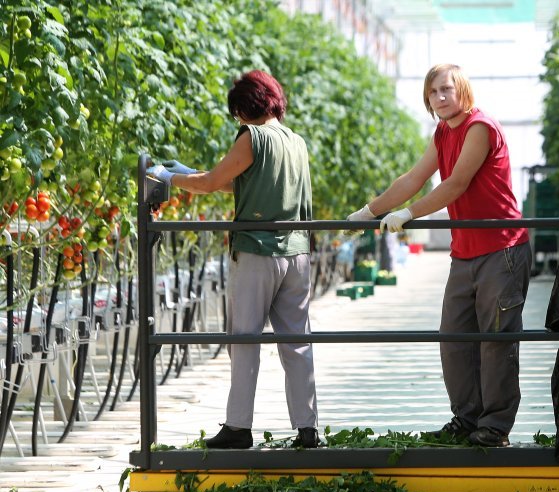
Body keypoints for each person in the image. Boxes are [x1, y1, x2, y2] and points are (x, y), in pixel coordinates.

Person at [347, 64, 531, 447]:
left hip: (502, 249)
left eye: (446, 89)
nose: (440, 97)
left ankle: (495, 427)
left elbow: (456, 183)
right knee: (454, 339)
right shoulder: (442, 132)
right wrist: (371, 211)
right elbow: (414, 179)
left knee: (495, 341)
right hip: (464, 252)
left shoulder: (480, 127)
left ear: (462, 89)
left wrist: (410, 213)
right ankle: (466, 419)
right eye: (433, 92)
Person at [146, 70, 319, 449]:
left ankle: (239, 427)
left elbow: (212, 184)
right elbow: (233, 179)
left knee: (244, 341)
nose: (237, 119)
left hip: (257, 253)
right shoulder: (295, 141)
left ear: (245, 106)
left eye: (237, 112)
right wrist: (189, 173)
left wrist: (167, 178)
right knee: (298, 343)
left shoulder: (252, 137)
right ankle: (308, 429)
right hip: (297, 254)